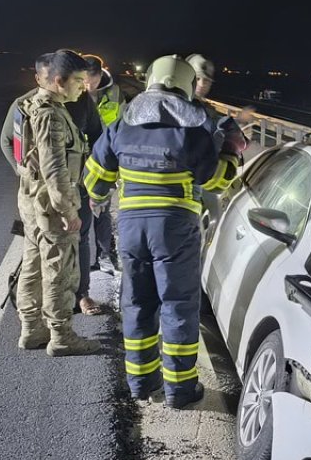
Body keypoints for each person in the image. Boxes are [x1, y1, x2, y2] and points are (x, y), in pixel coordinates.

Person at [83, 55, 222, 408]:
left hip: (132, 228)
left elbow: (96, 181)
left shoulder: (123, 125)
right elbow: (218, 179)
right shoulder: (193, 128)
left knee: (138, 304)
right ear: (187, 86)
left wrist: (99, 199)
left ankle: (141, 385)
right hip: (176, 229)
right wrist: (234, 153)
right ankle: (180, 390)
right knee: (177, 306)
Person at [13, 49, 100, 356]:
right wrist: (68, 209)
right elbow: (54, 167)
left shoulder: (32, 105)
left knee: (34, 266)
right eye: (78, 81)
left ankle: (31, 330)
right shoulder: (50, 114)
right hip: (51, 205)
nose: (83, 87)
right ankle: (61, 336)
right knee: (59, 270)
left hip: (33, 200)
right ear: (59, 81)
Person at [61, 50, 109, 315]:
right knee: (47, 242)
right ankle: (51, 299)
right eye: (78, 80)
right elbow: (10, 141)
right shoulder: (29, 104)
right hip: (45, 191)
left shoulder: (83, 103)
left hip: (78, 185)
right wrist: (24, 173)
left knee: (80, 239)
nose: (84, 86)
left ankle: (82, 294)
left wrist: (96, 180)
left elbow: (99, 138)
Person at [185, 54, 251, 221]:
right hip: (186, 195)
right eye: (197, 78)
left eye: (205, 80)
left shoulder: (203, 110)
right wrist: (233, 147)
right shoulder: (190, 111)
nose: (201, 84)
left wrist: (238, 123)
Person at [82, 54, 121, 272]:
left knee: (101, 210)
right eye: (85, 80)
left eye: (92, 80)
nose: (88, 85)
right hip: (81, 159)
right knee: (82, 211)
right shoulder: (74, 92)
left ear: (99, 75)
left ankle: (105, 254)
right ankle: (83, 258)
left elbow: (122, 124)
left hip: (105, 160)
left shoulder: (114, 93)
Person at [0, 53, 54, 175]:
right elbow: (6, 140)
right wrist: (19, 169)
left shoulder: (75, 100)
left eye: (55, 78)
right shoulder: (22, 104)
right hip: (37, 182)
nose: (52, 84)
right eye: (47, 79)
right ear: (38, 79)